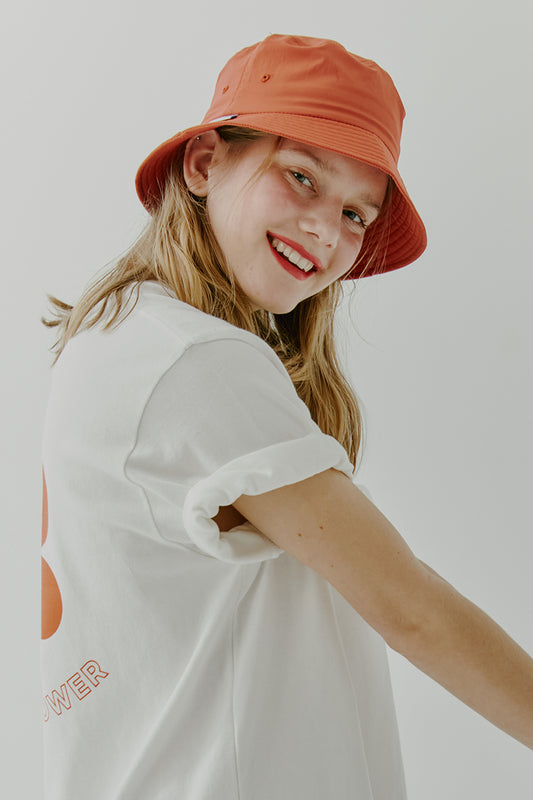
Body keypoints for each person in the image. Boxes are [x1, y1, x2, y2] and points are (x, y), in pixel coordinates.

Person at [40, 33, 533, 800]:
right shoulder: (190, 362)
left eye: (355, 214)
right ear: (204, 163)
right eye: (300, 177)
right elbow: (410, 611)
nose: (326, 232)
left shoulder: (124, 335)